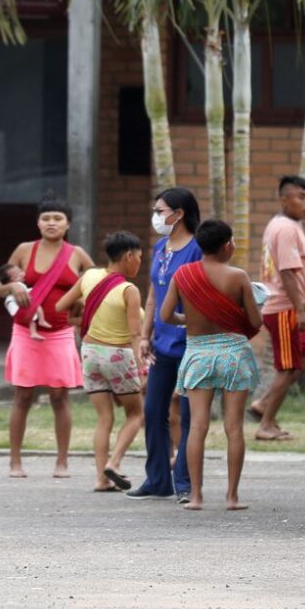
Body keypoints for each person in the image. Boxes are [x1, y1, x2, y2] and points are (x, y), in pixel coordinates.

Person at [162, 220, 261, 512]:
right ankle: (232, 497)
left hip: (199, 355)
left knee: (198, 427)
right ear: (227, 245)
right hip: (233, 354)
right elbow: (255, 322)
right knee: (234, 427)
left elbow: (167, 315)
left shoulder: (183, 275)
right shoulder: (239, 277)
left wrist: (188, 320)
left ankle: (195, 496)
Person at [0, 196, 94, 479]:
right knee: (22, 395)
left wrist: (82, 307)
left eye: (58, 219)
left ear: (68, 224)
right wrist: (13, 286)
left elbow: (97, 285)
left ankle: (62, 462)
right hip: (26, 331)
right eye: (46, 218)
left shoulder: (77, 254)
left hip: (62, 332)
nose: (52, 223)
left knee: (60, 396)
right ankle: (15, 461)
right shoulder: (24, 250)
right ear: (38, 222)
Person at [127, 187, 203, 502]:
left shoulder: (198, 248)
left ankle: (184, 483)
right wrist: (145, 336)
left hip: (191, 342)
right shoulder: (161, 247)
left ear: (179, 213)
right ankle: (157, 479)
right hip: (162, 343)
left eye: (160, 211)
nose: (157, 217)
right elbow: (153, 294)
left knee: (188, 415)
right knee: (153, 408)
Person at [56, 231, 147, 492]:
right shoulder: (129, 290)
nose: (139, 263)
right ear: (128, 256)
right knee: (135, 414)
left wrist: (84, 310)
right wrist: (140, 368)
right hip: (117, 355)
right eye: (139, 258)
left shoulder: (90, 276)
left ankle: (100, 479)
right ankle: (115, 462)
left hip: (90, 353)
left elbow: (62, 305)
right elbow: (134, 334)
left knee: (104, 418)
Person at [249, 176, 305, 442]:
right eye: (301, 197)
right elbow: (287, 271)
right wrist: (299, 309)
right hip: (284, 307)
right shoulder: (286, 228)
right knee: (287, 368)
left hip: (285, 305)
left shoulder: (282, 225)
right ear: (284, 199)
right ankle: (265, 424)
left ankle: (264, 404)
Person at [0, 264, 48, 340]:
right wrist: (36, 289)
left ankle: (33, 332)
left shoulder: (13, 285)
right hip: (17, 308)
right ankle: (41, 320)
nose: (21, 274)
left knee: (31, 318)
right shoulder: (18, 285)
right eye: (17, 275)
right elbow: (28, 293)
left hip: (13, 308)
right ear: (10, 281)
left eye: (20, 271)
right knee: (37, 307)